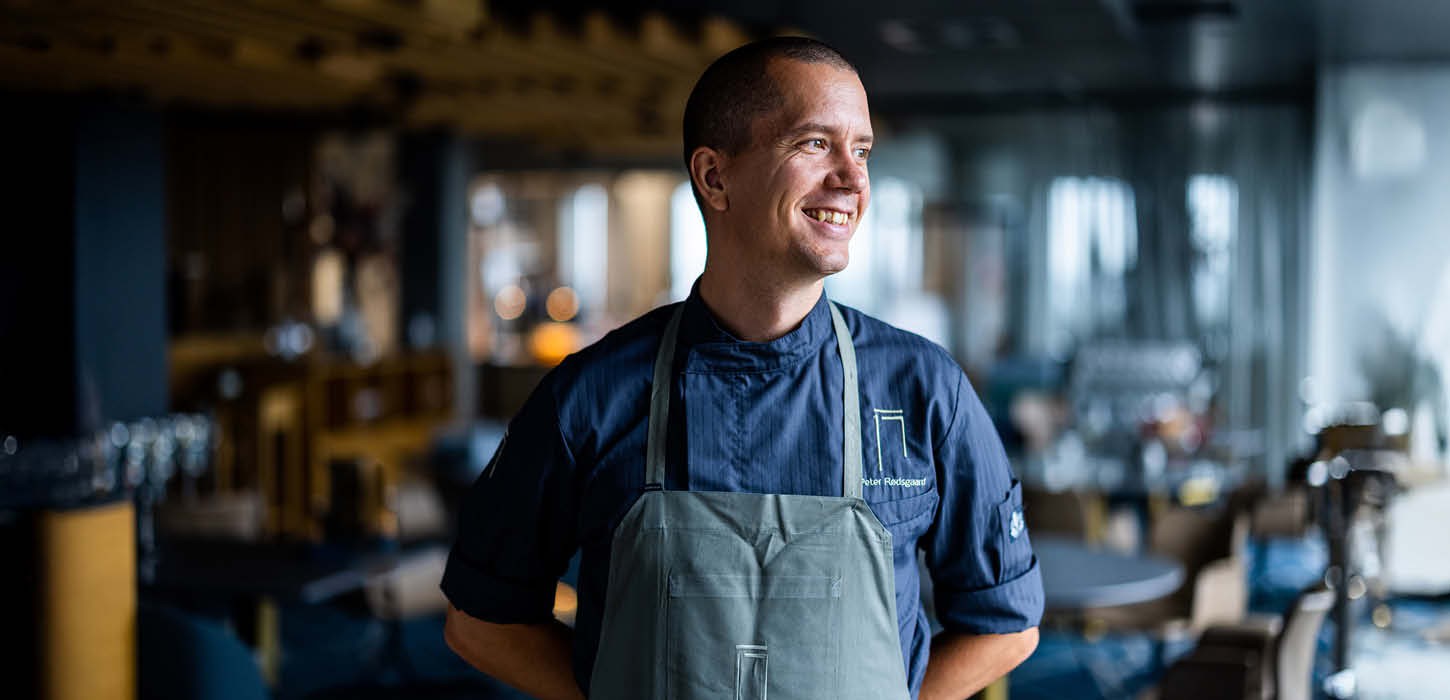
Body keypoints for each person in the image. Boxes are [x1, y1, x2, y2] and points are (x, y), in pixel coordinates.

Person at [441, 37, 1042, 700]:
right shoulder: (591, 396)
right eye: (816, 143)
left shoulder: (925, 390)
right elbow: (480, 620)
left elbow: (1005, 621)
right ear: (714, 177)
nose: (853, 178)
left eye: (862, 149)